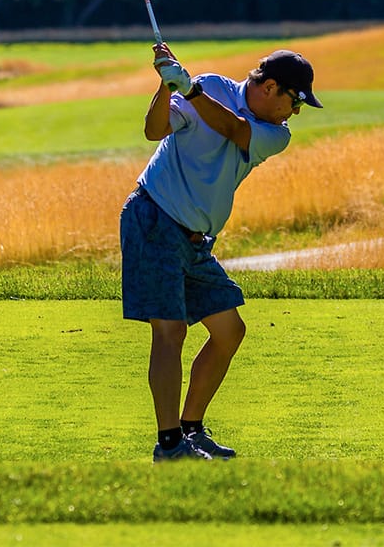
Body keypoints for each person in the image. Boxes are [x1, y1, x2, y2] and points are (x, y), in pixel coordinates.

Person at [119, 43, 324, 462]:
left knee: (229, 331)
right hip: (153, 217)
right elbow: (155, 131)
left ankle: (191, 428)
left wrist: (189, 89)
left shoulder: (276, 134)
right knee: (170, 331)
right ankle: (170, 445)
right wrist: (166, 85)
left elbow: (232, 128)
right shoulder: (210, 86)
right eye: (295, 101)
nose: (295, 112)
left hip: (196, 239)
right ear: (270, 87)